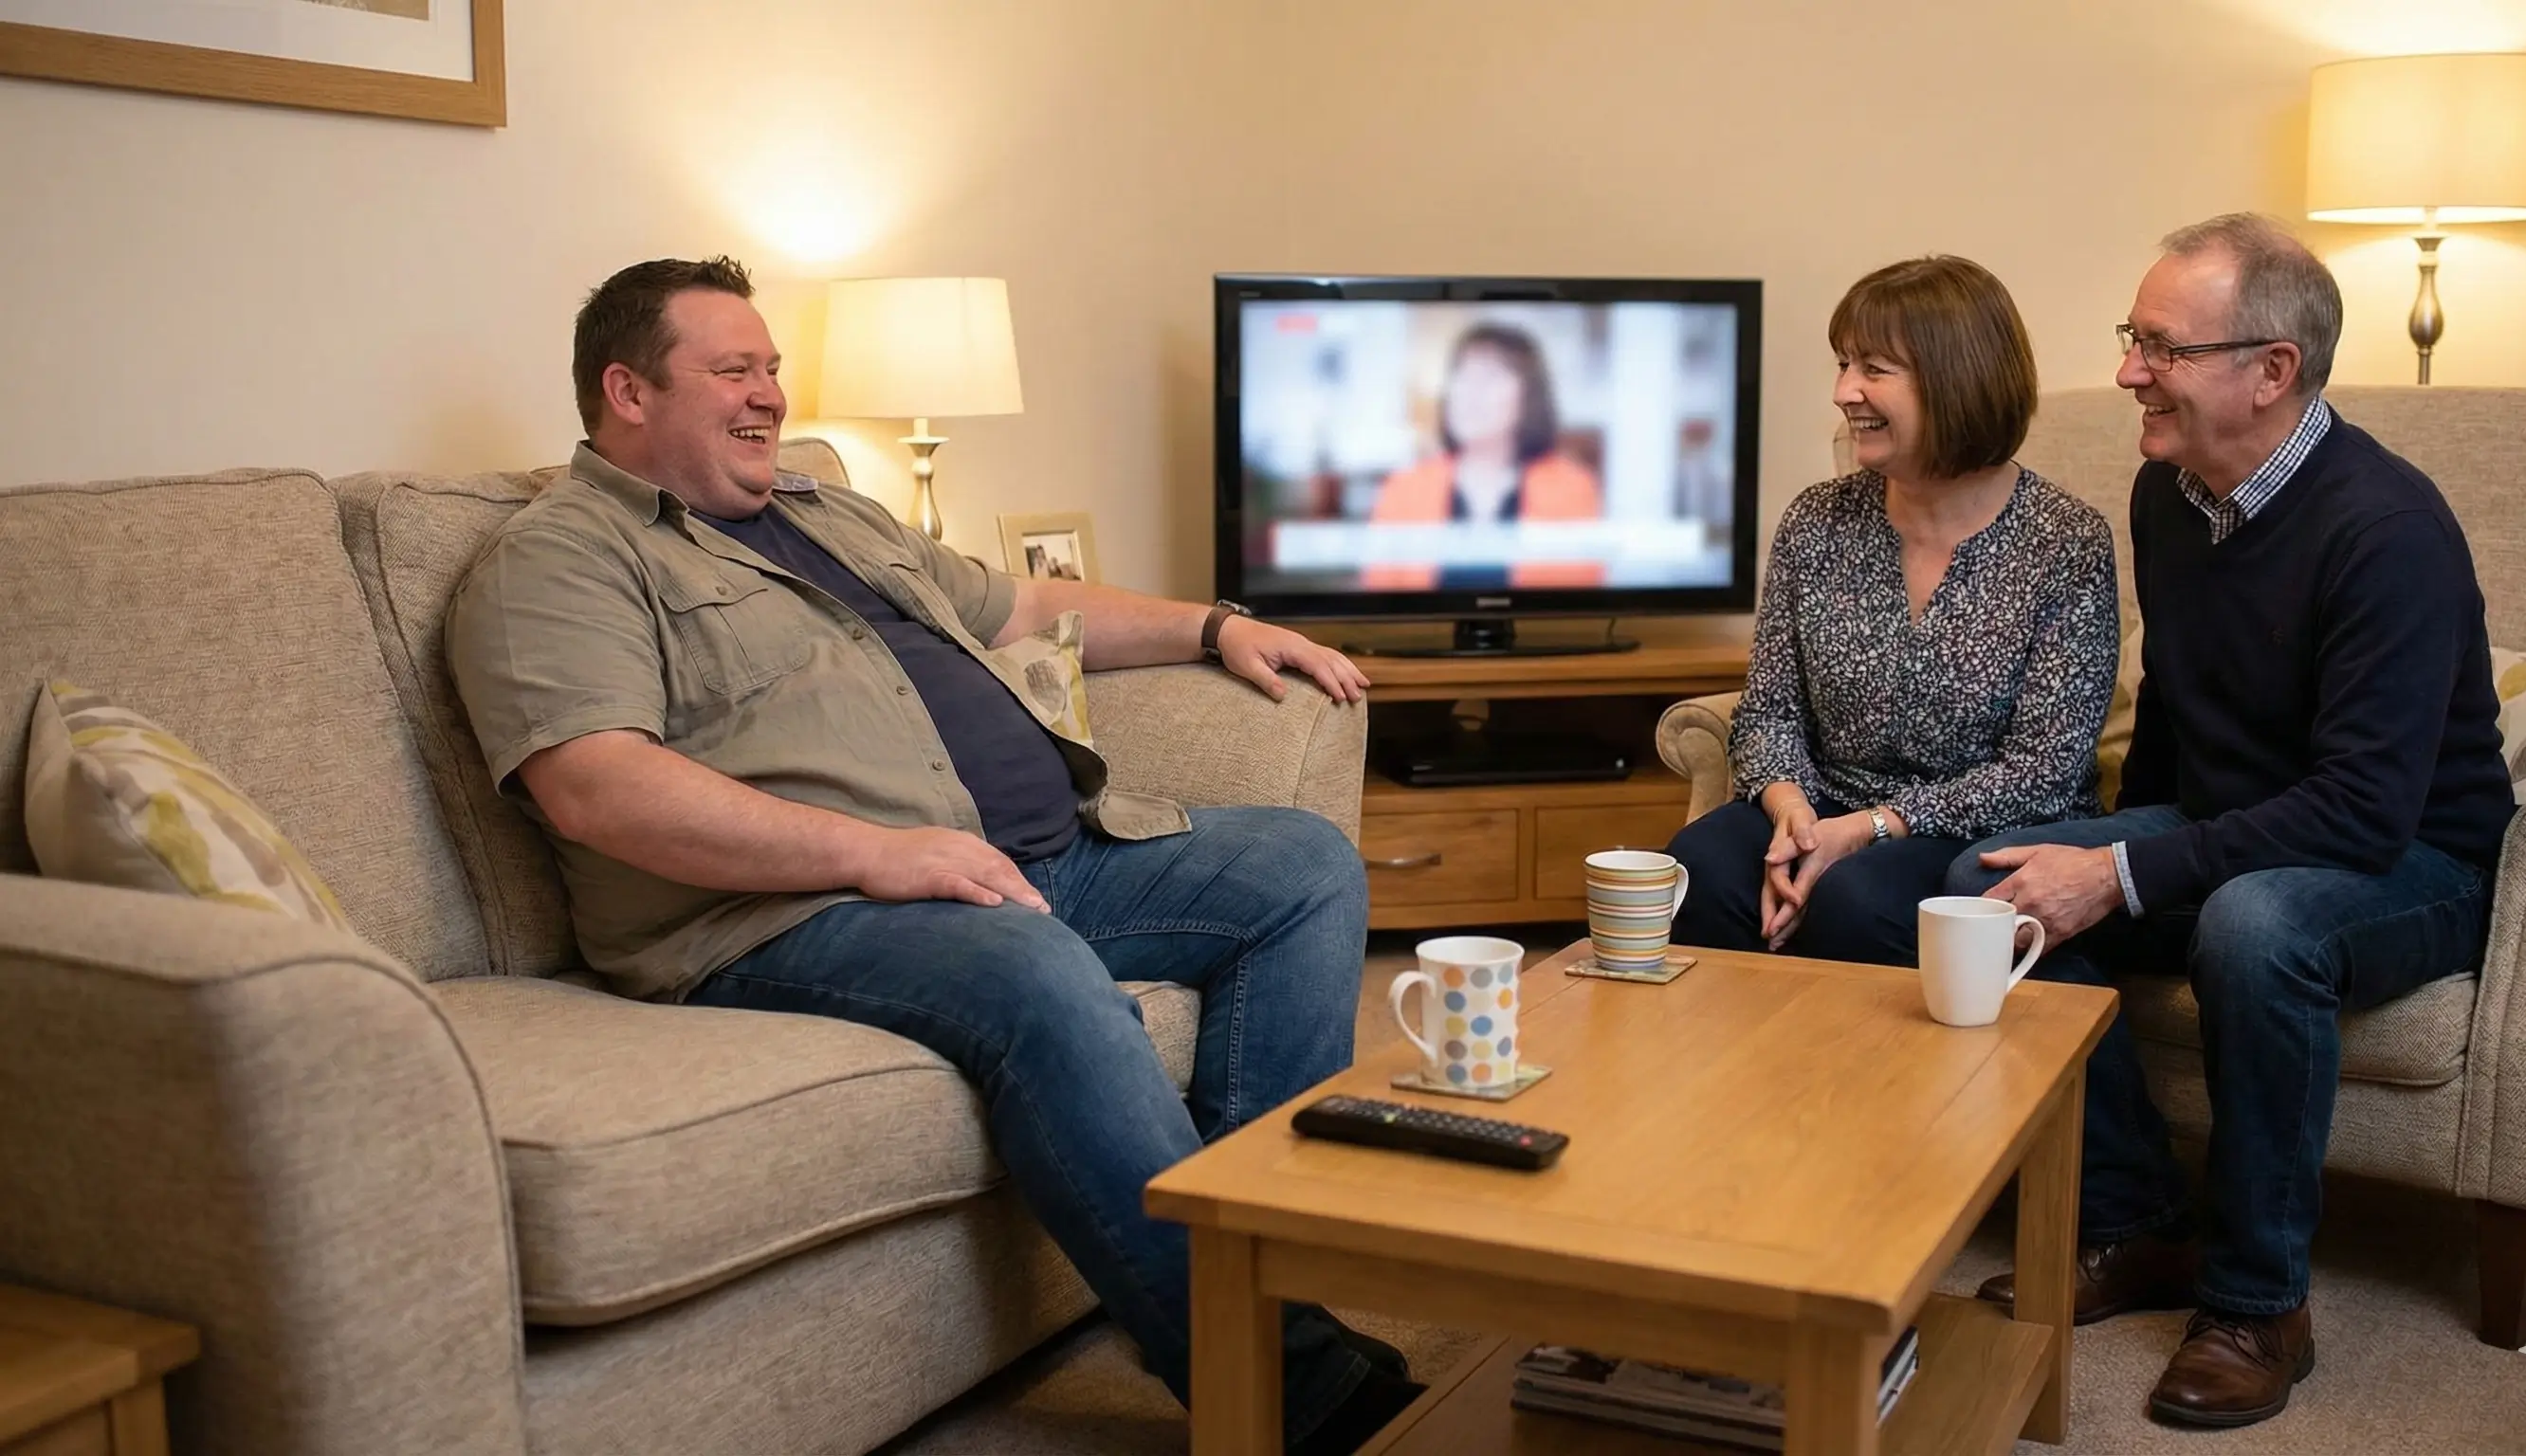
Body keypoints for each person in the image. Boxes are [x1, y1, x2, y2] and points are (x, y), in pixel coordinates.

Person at [446, 256, 1422, 1455]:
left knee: (1301, 866)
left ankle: (1250, 1284)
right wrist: (874, 855)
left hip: (1037, 860)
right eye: (731, 370)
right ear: (627, 391)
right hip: (785, 916)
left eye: (772, 369)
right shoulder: (563, 557)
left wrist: (1215, 624)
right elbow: (598, 787)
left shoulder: (827, 510)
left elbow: (1019, 605)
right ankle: (1286, 1384)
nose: (768, 395)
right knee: (1034, 975)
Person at [1952, 215, 2515, 1429]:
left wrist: (2126, 876)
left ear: (2270, 371)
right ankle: (2136, 1220)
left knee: (2256, 927)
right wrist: (2092, 853)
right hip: (2243, 825)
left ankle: (2258, 1303)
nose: (2123, 373)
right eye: (2130, 338)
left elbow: (2365, 810)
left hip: (2416, 863)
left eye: (2158, 346)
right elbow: (2173, 716)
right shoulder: (2170, 495)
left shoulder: (2385, 530)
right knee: (1990, 876)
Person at [1665, 256, 2117, 966]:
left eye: (1874, 369)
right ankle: (1748, 1072)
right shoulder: (1818, 519)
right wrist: (1793, 816)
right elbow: (1771, 710)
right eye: (1843, 365)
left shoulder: (2065, 542)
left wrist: (1875, 826)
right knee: (1701, 869)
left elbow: (2044, 771)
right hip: (1822, 807)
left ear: (1956, 379)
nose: (1845, 392)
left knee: (1856, 899)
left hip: (1974, 832)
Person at [1363, 322, 1603, 589]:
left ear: (1529, 395)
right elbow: (1380, 596)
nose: (1470, 392)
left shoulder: (1572, 489)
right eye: (1462, 375)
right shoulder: (1404, 488)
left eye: (1490, 376)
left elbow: (1575, 602)